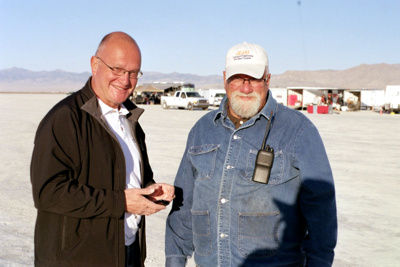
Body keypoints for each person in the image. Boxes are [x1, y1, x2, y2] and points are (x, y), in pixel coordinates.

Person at [165, 42, 337, 266]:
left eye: (254, 79)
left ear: (267, 78)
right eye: (237, 78)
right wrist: (175, 260)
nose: (245, 88)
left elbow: (321, 210)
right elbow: (184, 206)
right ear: (225, 78)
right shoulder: (202, 130)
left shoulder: (298, 131)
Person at [31, 32, 175, 267]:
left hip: (127, 252)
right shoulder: (65, 118)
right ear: (95, 64)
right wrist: (122, 203)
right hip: (78, 259)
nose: (125, 80)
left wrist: (150, 189)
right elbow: (48, 193)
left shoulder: (130, 120)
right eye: (117, 69)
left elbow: (133, 180)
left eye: (133, 73)